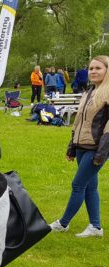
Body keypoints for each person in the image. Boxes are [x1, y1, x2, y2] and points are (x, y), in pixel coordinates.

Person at [50, 55, 109, 238]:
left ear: (107, 70)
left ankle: (63, 223)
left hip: (96, 148)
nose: (93, 71)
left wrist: (101, 152)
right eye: (91, 68)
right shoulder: (89, 92)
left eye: (98, 68)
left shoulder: (107, 93)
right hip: (82, 146)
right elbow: (77, 123)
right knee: (90, 187)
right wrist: (72, 147)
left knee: (78, 185)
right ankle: (96, 227)